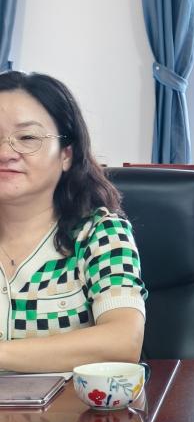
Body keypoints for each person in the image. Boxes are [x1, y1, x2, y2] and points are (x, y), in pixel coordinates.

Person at [0, 71, 146, 372]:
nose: (5, 153)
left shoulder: (98, 234)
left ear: (66, 154)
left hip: (68, 404)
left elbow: (123, 341)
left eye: (27, 138)